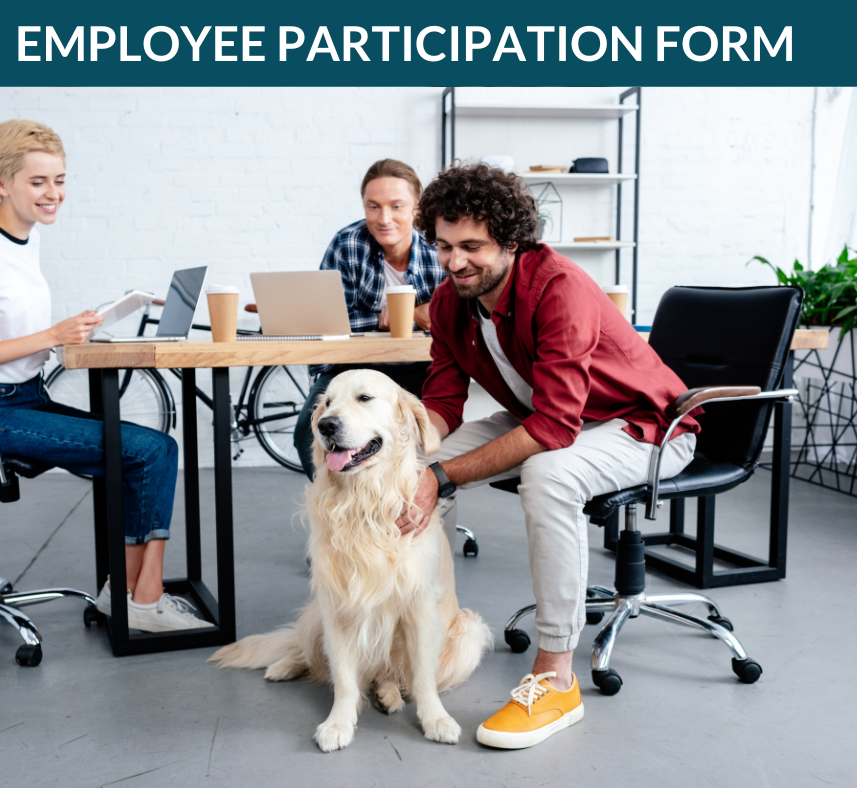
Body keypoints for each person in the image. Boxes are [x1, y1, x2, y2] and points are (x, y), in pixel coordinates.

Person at [399, 163, 701, 750]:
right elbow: (441, 400)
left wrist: (440, 475)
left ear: (512, 241)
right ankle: (417, 637)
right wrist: (418, 463)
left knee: (548, 473)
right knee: (403, 468)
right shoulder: (448, 301)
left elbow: (554, 429)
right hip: (552, 414)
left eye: (472, 247)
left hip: (644, 427)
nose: (454, 261)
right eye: (442, 245)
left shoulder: (558, 287)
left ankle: (556, 675)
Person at [0, 119, 210, 632]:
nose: (53, 194)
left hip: (26, 397)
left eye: (59, 180)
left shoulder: (25, 239)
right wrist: (50, 336)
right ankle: (141, 600)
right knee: (150, 452)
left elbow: (7, 329)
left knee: (152, 449)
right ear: (1, 182)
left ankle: (127, 594)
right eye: (38, 182)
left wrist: (79, 327)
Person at [293, 158, 445, 480]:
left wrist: (414, 314)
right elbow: (328, 321)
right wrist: (383, 319)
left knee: (422, 436)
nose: (384, 218)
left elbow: (455, 314)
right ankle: (343, 512)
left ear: (417, 209)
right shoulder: (347, 245)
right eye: (373, 207)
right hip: (350, 368)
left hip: (424, 367)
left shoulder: (439, 248)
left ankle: (407, 512)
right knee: (306, 437)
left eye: (397, 206)